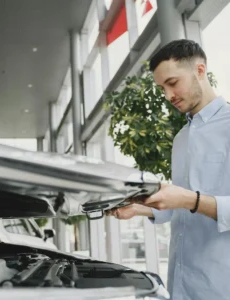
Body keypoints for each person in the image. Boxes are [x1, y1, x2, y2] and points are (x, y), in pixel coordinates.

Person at [107, 39, 230, 300]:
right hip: (181, 282)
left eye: (172, 83)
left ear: (200, 70)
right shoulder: (181, 139)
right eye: (162, 88)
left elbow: (189, 200)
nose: (168, 96)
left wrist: (187, 198)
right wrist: (140, 208)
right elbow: (182, 209)